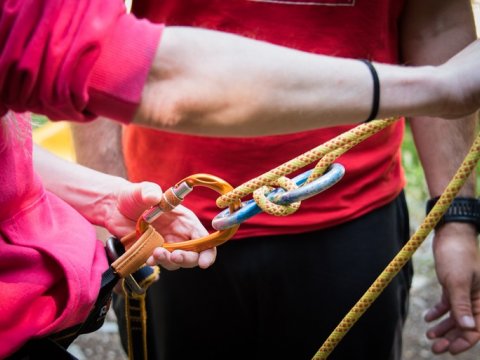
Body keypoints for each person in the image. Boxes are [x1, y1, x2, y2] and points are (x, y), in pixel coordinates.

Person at [2, 0, 480, 358]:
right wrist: (437, 89)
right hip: (173, 237)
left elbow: (436, 19)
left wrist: (458, 217)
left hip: (354, 217)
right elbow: (101, 55)